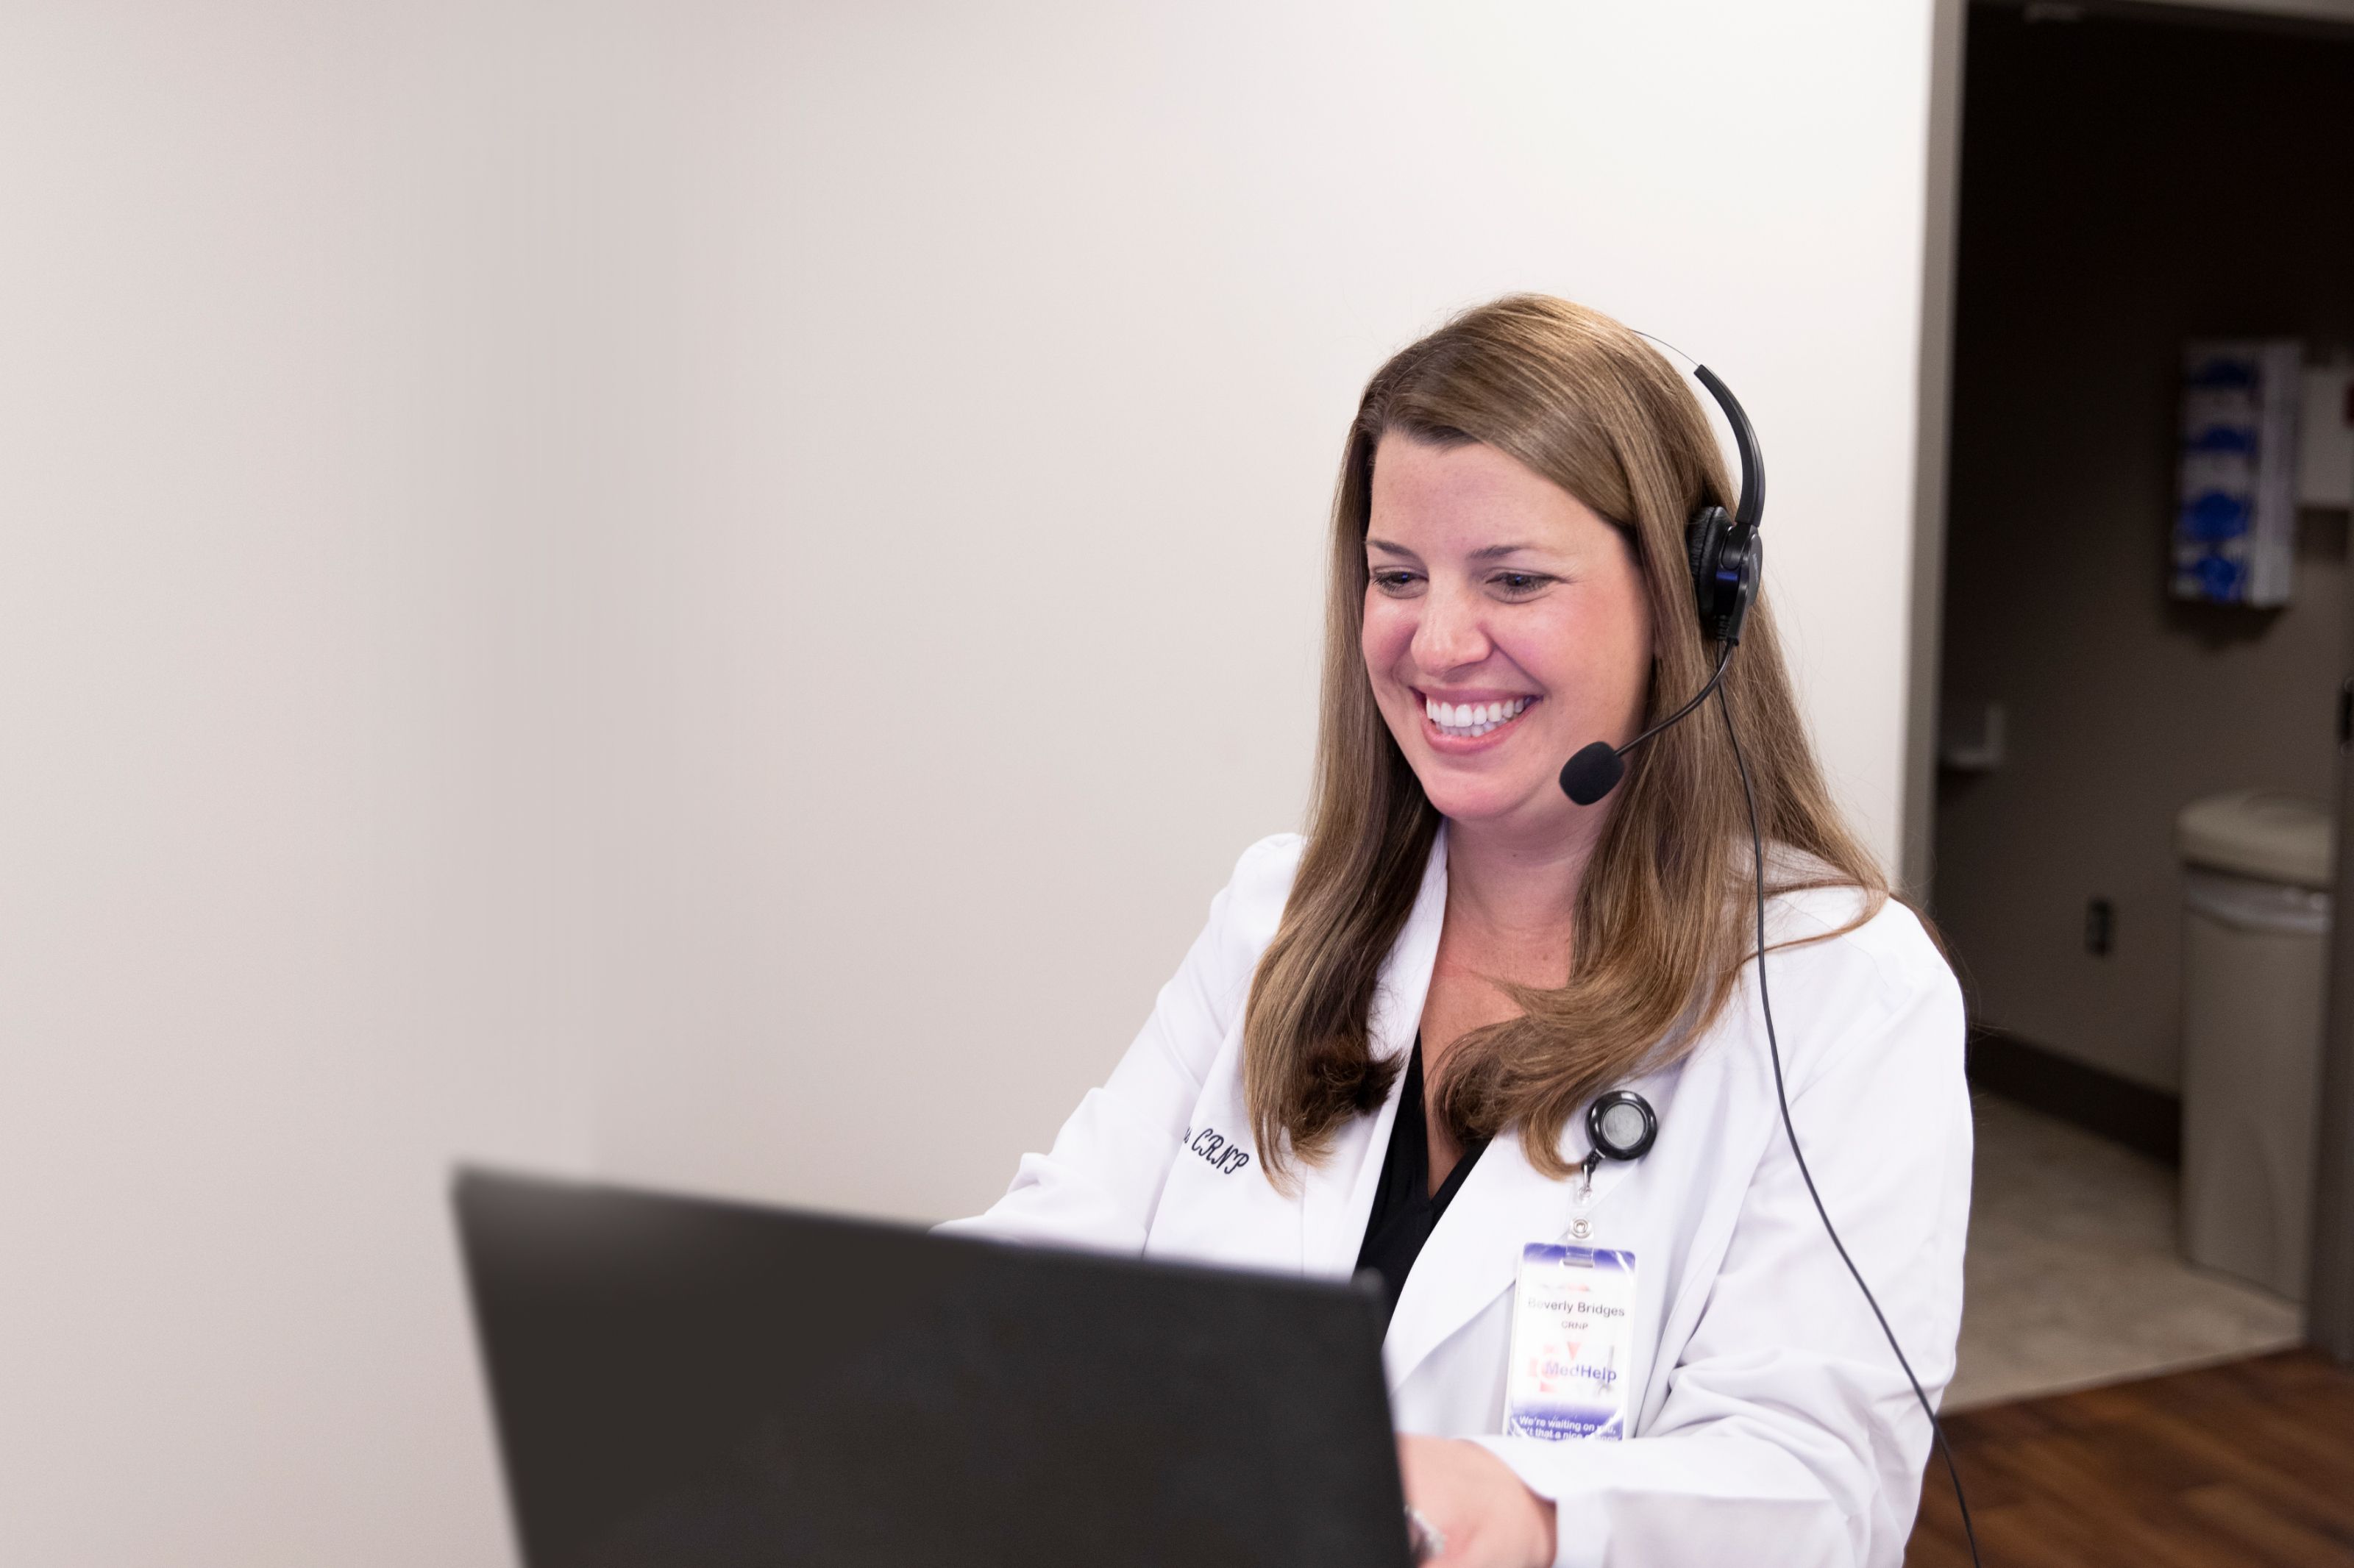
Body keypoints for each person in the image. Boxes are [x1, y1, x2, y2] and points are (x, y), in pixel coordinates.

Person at [939, 294, 1970, 1568]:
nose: (1436, 643)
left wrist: (1532, 1513)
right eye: (1395, 576)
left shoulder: (1840, 990)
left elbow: (1822, 1483)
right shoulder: (1282, 913)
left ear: (1688, 604)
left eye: (1516, 578)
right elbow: (1070, 1242)